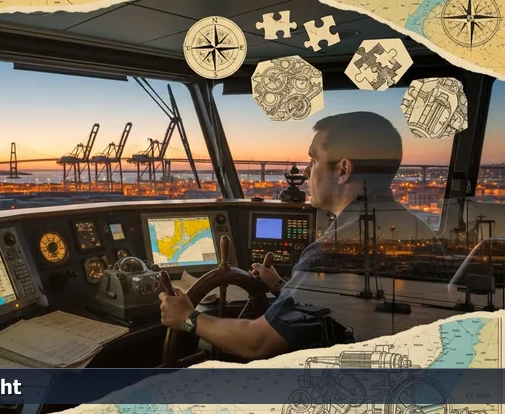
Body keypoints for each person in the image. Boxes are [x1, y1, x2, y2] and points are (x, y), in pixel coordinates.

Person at [159, 111, 446, 361]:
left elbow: (256, 343)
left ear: (344, 170)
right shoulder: (422, 233)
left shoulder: (334, 252)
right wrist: (283, 286)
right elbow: (351, 306)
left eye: (313, 159)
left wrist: (188, 319)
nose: (307, 170)